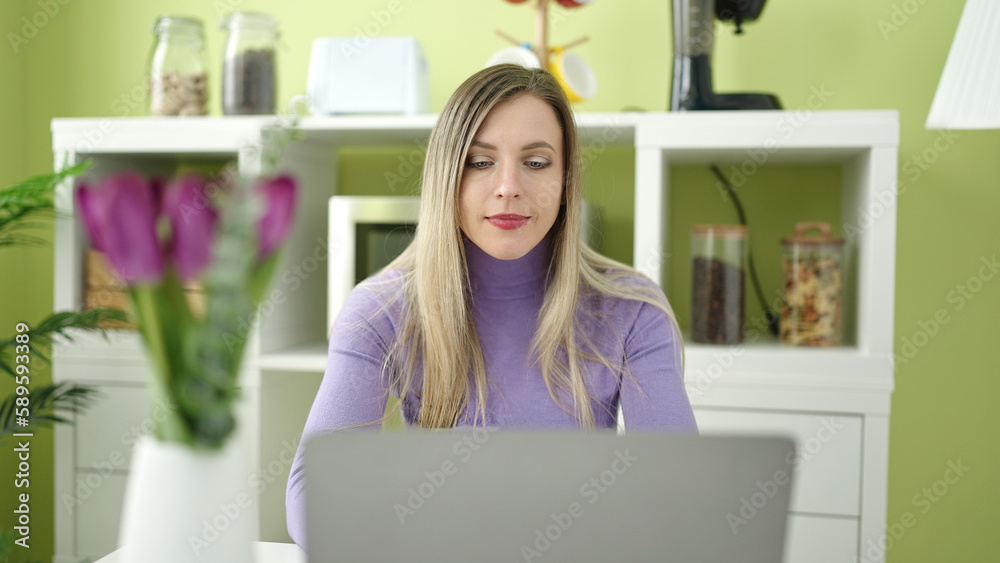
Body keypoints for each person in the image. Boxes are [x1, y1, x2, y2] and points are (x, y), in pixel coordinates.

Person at [285, 64, 696, 545]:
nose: (508, 187)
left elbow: (678, 503)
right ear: (447, 178)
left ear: (566, 180)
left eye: (536, 162)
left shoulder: (633, 311)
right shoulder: (380, 311)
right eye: (480, 162)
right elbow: (314, 508)